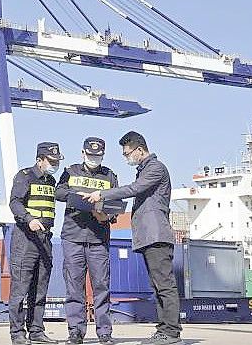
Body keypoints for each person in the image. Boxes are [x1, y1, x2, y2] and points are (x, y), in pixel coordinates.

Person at [81, 131, 182, 345]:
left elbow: (134, 189)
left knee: (164, 285)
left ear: (139, 149)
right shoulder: (144, 170)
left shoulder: (155, 168)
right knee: (157, 286)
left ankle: (172, 332)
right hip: (148, 236)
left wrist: (103, 194)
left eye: (127, 154)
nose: (126, 157)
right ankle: (164, 330)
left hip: (156, 236)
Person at [55, 138, 118, 345]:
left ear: (103, 155)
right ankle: (76, 332)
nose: (94, 159)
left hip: (98, 239)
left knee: (101, 286)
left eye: (97, 156)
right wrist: (78, 195)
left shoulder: (110, 175)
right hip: (73, 237)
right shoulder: (70, 171)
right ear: (83, 153)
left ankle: (104, 333)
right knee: (74, 287)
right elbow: (59, 192)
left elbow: (115, 207)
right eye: (90, 156)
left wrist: (104, 213)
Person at [8, 142, 64, 345]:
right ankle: (17, 334)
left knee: (40, 290)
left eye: (57, 161)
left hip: (45, 240)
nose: (54, 164)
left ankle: (37, 331)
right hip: (25, 240)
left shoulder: (51, 180)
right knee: (20, 289)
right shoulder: (25, 176)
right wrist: (29, 218)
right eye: (51, 161)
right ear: (39, 159)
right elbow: (14, 202)